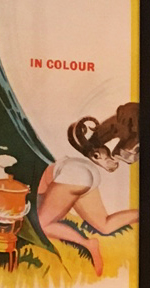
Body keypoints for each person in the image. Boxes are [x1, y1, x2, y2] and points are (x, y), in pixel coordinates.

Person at [37, 103, 140, 274]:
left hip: (73, 174)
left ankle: (87, 244)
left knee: (43, 224)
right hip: (85, 174)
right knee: (104, 225)